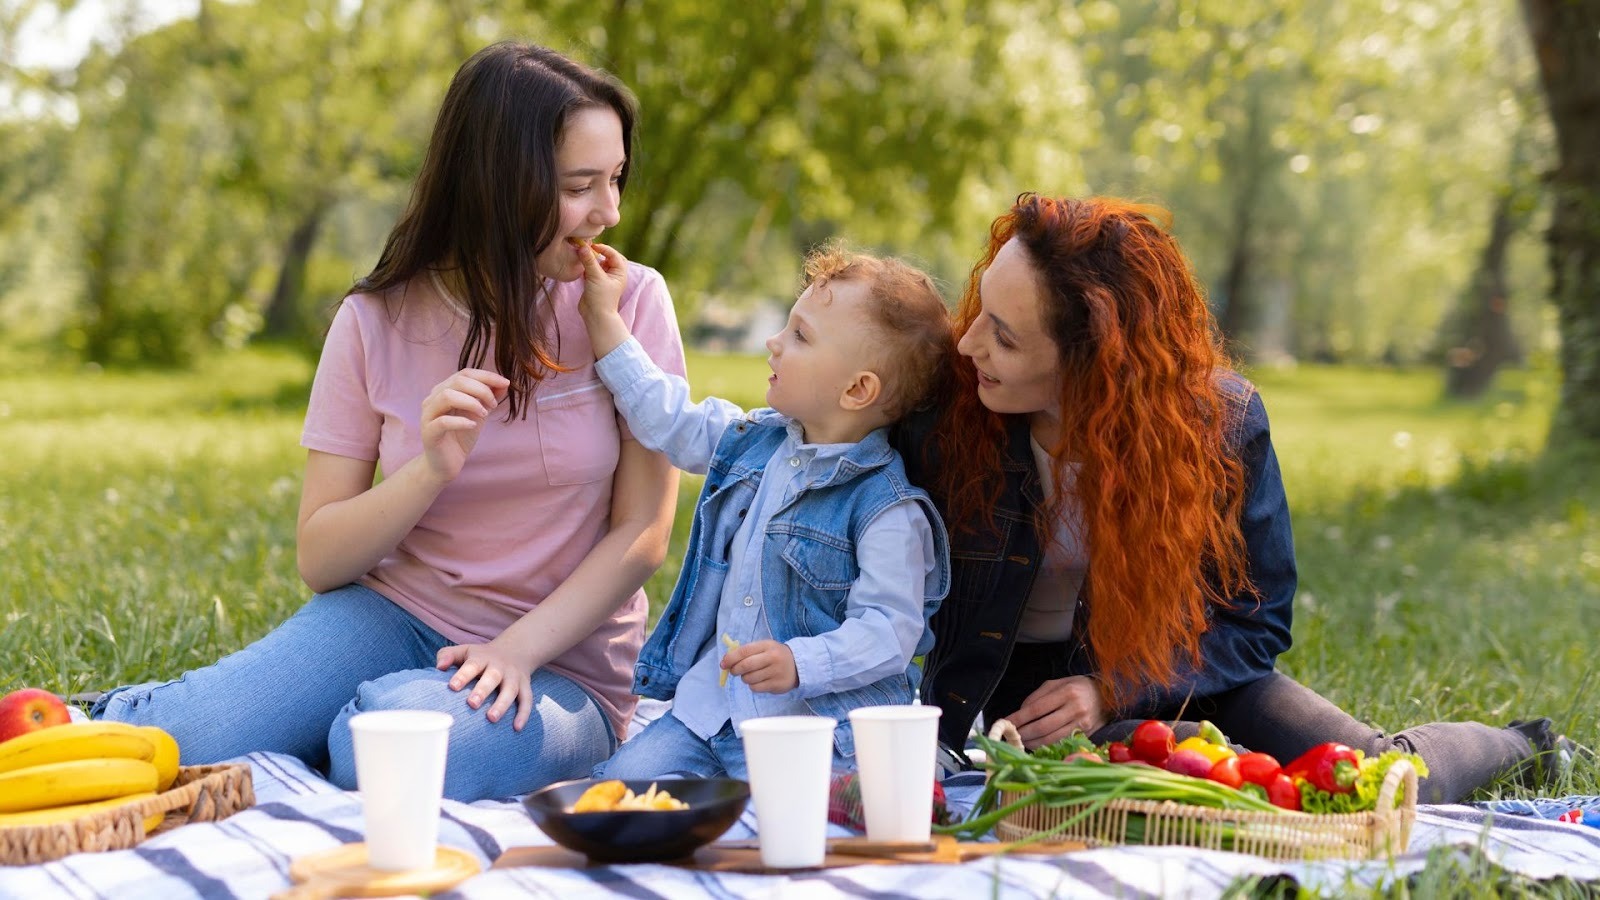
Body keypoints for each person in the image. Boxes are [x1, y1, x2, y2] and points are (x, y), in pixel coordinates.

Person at [91, 42, 684, 801]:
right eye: (580, 187)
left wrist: (514, 651)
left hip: (562, 665)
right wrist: (429, 468)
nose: (610, 213)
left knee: (381, 749)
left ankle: (352, 724)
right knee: (177, 741)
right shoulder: (374, 319)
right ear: (499, 187)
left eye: (615, 179)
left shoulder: (631, 303)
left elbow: (644, 532)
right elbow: (322, 558)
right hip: (392, 614)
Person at [893, 193, 1577, 803]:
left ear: (1095, 363)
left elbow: (1257, 620)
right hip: (1035, 704)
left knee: (1374, 775)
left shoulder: (1218, 425)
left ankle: (1530, 745)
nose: (970, 340)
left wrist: (1111, 689)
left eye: (1005, 336)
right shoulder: (946, 419)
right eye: (982, 308)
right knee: (1163, 775)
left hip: (1181, 670)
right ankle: (1203, 751)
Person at [576, 241, 954, 779]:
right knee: (619, 790)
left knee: (825, 819)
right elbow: (669, 418)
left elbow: (888, 632)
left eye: (800, 335)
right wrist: (604, 321)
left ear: (857, 389)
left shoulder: (886, 510)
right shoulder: (755, 443)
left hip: (813, 731)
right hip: (713, 713)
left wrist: (802, 662)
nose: (775, 343)